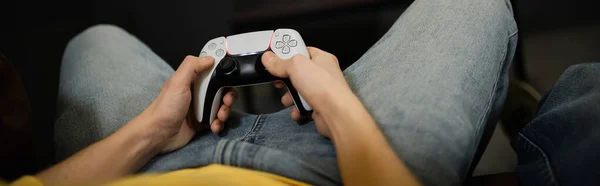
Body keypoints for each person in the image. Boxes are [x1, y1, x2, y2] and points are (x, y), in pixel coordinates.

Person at [7, 0, 522, 185]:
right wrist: (337, 105)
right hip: (345, 166)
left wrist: (151, 133)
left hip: (149, 162)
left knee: (95, 40)